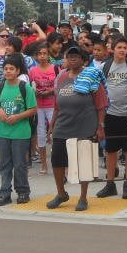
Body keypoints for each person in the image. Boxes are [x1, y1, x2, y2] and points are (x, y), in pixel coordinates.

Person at [46, 46, 107, 211]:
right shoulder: (61, 77)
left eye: (76, 56)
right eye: (69, 56)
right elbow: (57, 105)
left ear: (83, 60)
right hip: (62, 125)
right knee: (57, 160)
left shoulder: (91, 76)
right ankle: (61, 193)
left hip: (84, 126)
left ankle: (82, 197)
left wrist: (100, 126)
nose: (72, 59)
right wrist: (51, 125)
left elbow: (100, 104)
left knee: (83, 163)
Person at [96, 36, 127, 200]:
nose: (122, 50)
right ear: (112, 50)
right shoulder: (104, 66)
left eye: (124, 47)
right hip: (110, 115)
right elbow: (99, 88)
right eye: (119, 47)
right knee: (110, 150)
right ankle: (110, 183)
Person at [0, 54, 37, 205]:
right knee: (4, 164)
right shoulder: (0, 87)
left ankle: (23, 191)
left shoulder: (25, 88)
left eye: (11, 69)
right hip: (2, 132)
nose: (8, 71)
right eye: (6, 69)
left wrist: (18, 117)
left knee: (19, 164)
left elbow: (33, 109)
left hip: (20, 132)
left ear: (18, 71)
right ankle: (4, 192)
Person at [28, 43, 58, 175]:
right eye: (39, 54)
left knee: (56, 134)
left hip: (53, 105)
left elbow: (60, 86)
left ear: (49, 55)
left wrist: (50, 90)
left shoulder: (55, 68)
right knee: (40, 134)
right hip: (38, 106)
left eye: (45, 53)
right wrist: (35, 93)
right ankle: (44, 164)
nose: (42, 56)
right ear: (36, 56)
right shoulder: (33, 71)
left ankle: (59, 163)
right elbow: (29, 88)